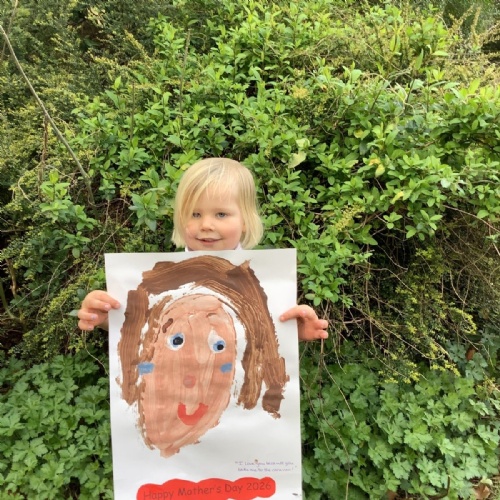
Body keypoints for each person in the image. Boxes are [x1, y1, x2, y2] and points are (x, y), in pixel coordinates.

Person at [77, 157, 329, 341]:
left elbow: (266, 340)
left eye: (221, 214)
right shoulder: (155, 281)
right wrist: (106, 319)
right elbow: (140, 331)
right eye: (195, 214)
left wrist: (293, 333)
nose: (206, 225)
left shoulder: (266, 283)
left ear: (245, 220)